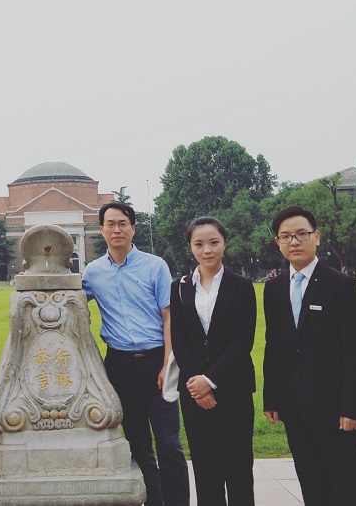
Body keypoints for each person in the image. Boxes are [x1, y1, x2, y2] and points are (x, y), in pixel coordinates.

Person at [82, 201, 190, 506]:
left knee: (169, 443)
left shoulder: (154, 266)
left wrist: (168, 364)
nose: (117, 229)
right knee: (138, 443)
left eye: (123, 223)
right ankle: (155, 500)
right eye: (110, 224)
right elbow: (68, 298)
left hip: (157, 361)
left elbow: (169, 316)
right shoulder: (93, 272)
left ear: (132, 228)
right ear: (101, 230)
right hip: (119, 367)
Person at [263, 206, 356, 506]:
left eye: (302, 234)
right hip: (294, 408)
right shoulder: (273, 289)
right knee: (311, 485)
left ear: (317, 237)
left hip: (336, 409)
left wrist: (354, 408)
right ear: (278, 243)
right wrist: (272, 398)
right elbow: (274, 346)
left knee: (345, 489)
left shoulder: (341, 285)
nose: (294, 241)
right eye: (286, 236)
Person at [170, 217, 256, 506]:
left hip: (233, 390)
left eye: (213, 242)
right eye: (199, 244)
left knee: (239, 469)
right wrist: (198, 384)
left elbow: (243, 340)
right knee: (205, 470)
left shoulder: (242, 286)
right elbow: (179, 340)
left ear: (224, 244)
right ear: (190, 247)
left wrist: (211, 380)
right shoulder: (180, 287)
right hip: (194, 392)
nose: (207, 250)